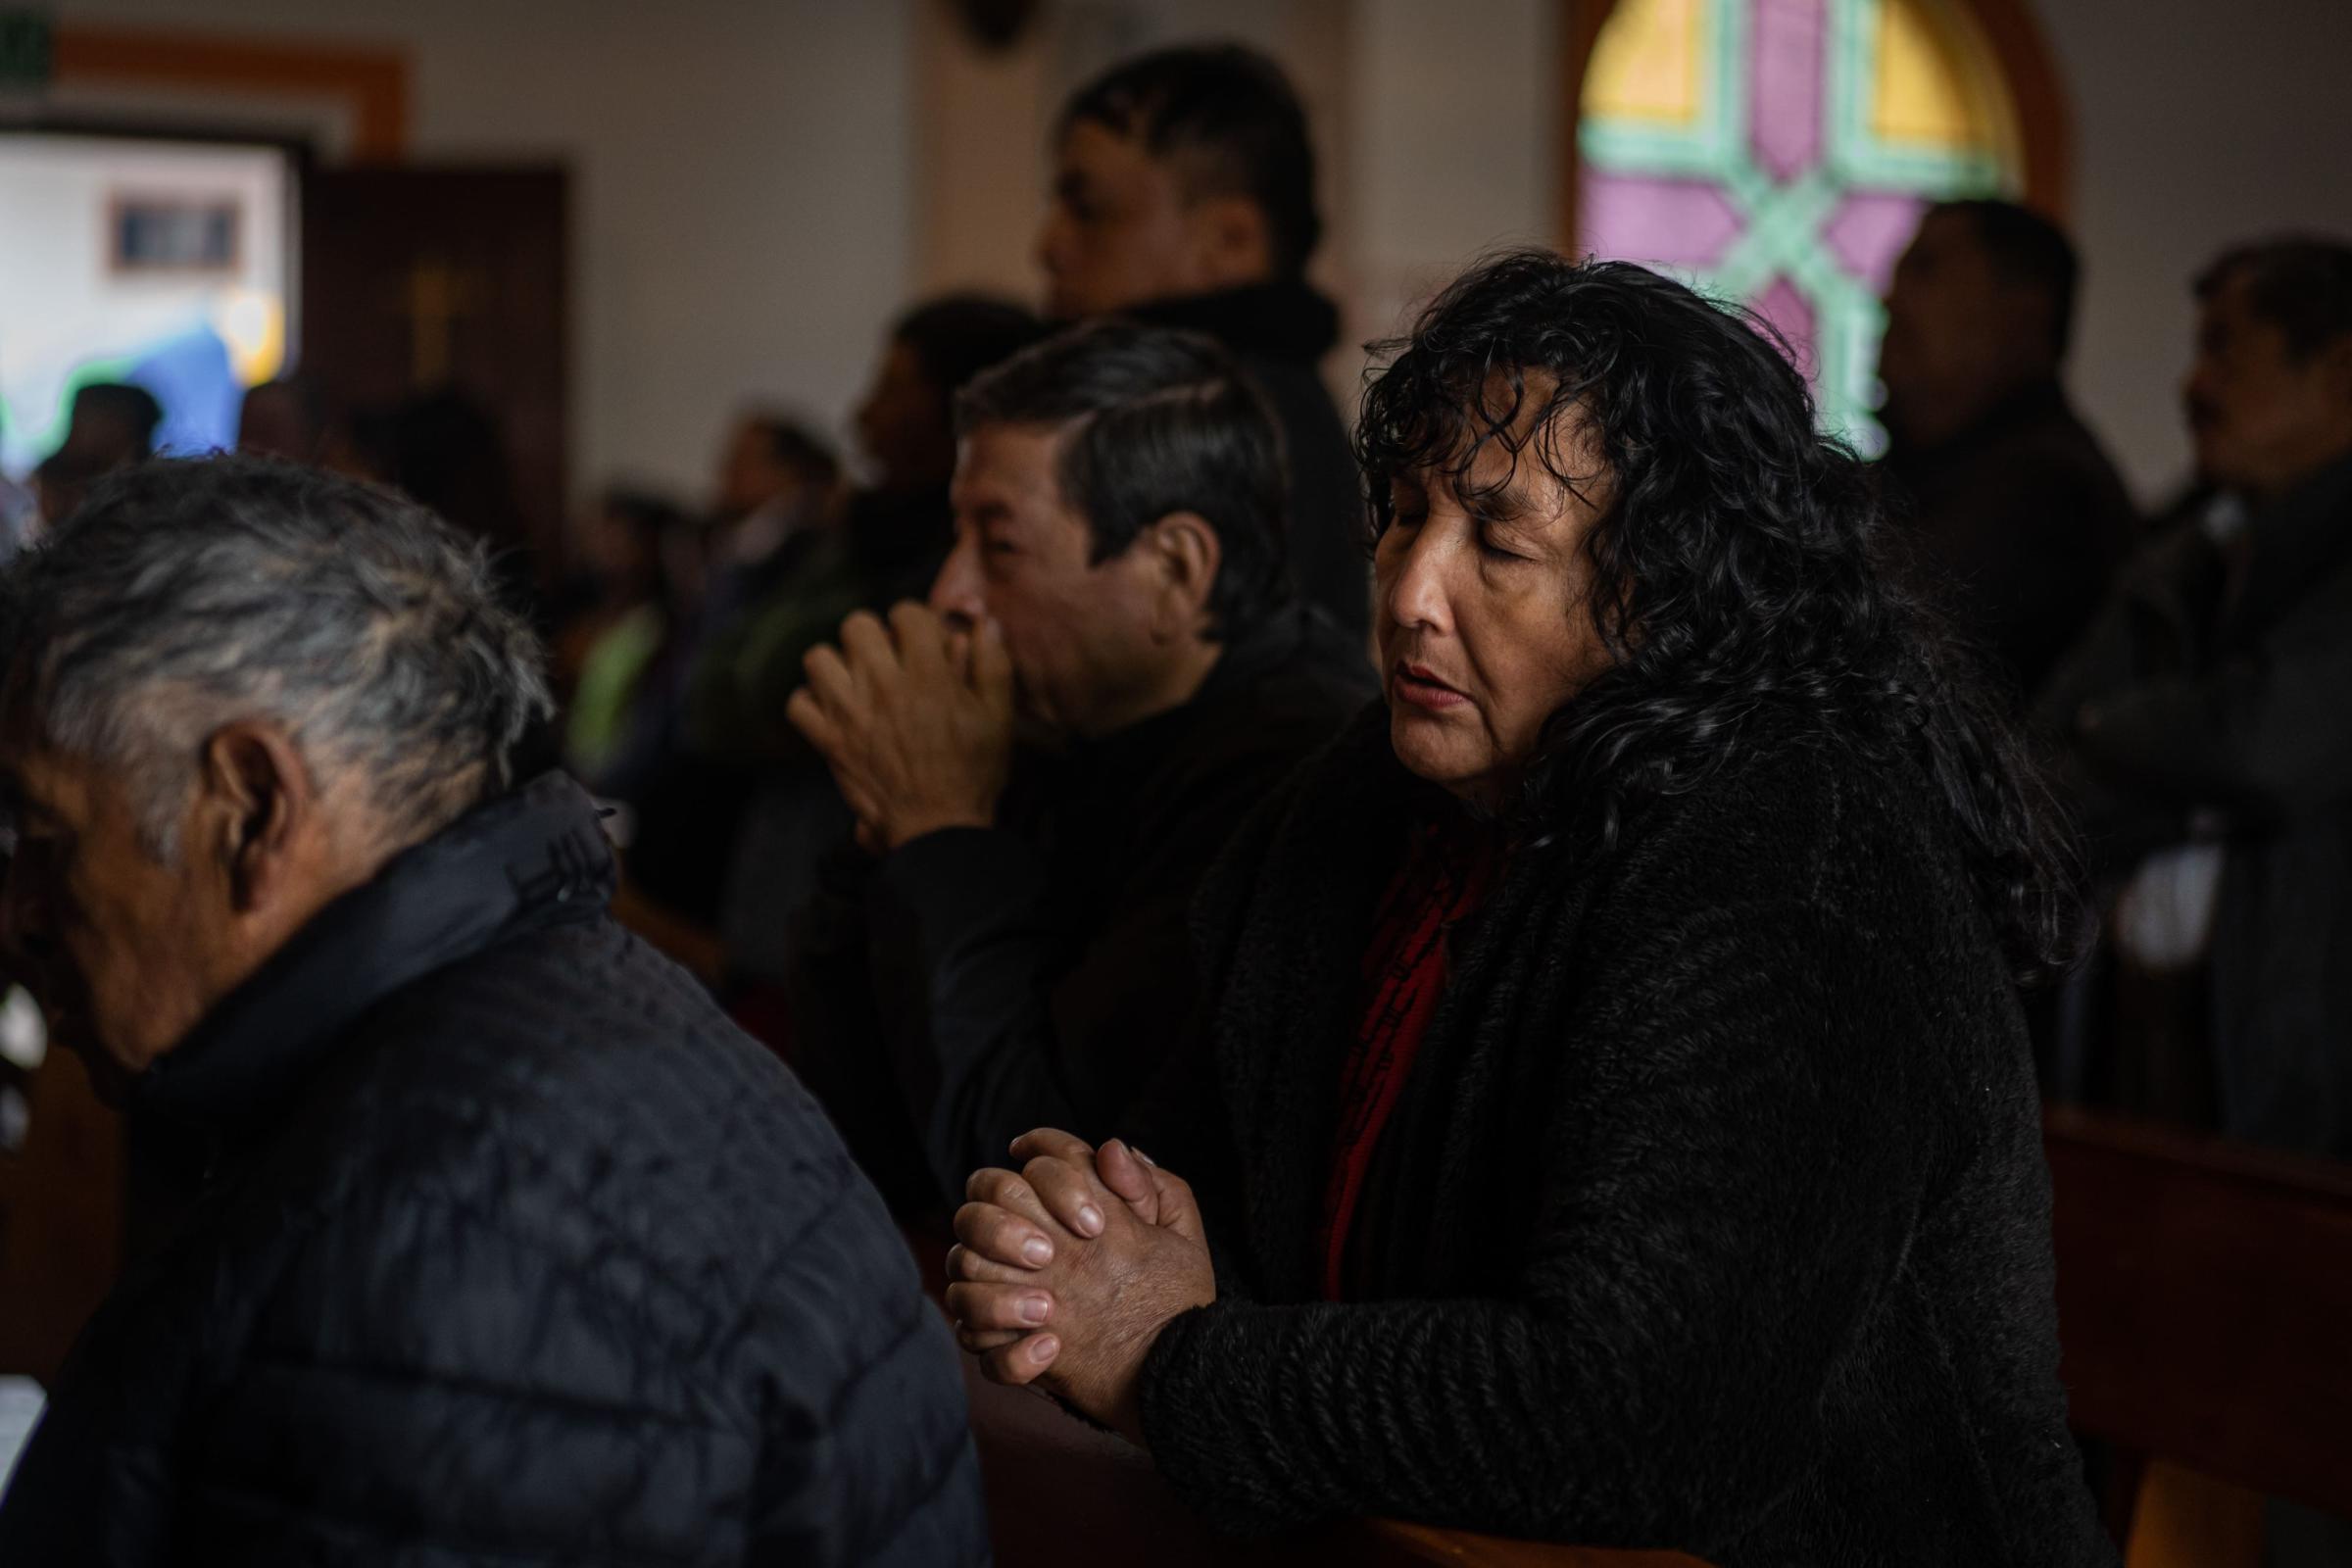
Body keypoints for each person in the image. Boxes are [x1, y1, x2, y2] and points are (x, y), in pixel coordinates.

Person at [943, 254, 2112, 1565]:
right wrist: (1074, 1237)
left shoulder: (1802, 853)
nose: (1406, 593)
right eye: (1400, 515)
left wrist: (1172, 1357)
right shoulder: (1379, 790)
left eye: (1497, 540)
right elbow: (1169, 1177)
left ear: (1666, 588)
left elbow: (1642, 1410)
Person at [0, 457, 988, 1565]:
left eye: (47, 834)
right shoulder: (552, 1002)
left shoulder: (425, 1250)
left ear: (254, 807)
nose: (22, 915)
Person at [785, 319, 1374, 1214]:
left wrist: (938, 829)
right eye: (958, 536)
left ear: (1176, 568)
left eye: (1002, 545)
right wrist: (884, 824)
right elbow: (858, 1112)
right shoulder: (1065, 721)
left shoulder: (1290, 783)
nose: (951, 593)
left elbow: (1035, 1177)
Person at [2037, 236, 2352, 1157]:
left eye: (2225, 350)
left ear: (2340, 372)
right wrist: (2188, 766)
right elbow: (2040, 767)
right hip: (2135, 1077)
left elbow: (2265, 746)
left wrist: (2121, 734)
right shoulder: (2186, 551)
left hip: (2300, 1086)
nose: (2194, 387)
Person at [1041, 43, 1369, 639]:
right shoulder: (1247, 397)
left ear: (1229, 241)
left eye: (1087, 209)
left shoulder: (1232, 425)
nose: (1049, 243)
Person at [1877, 199, 2140, 702]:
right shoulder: (1923, 469)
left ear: (2023, 313)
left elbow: (1880, 636)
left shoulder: (2048, 494)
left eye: (1925, 271)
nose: (1890, 301)